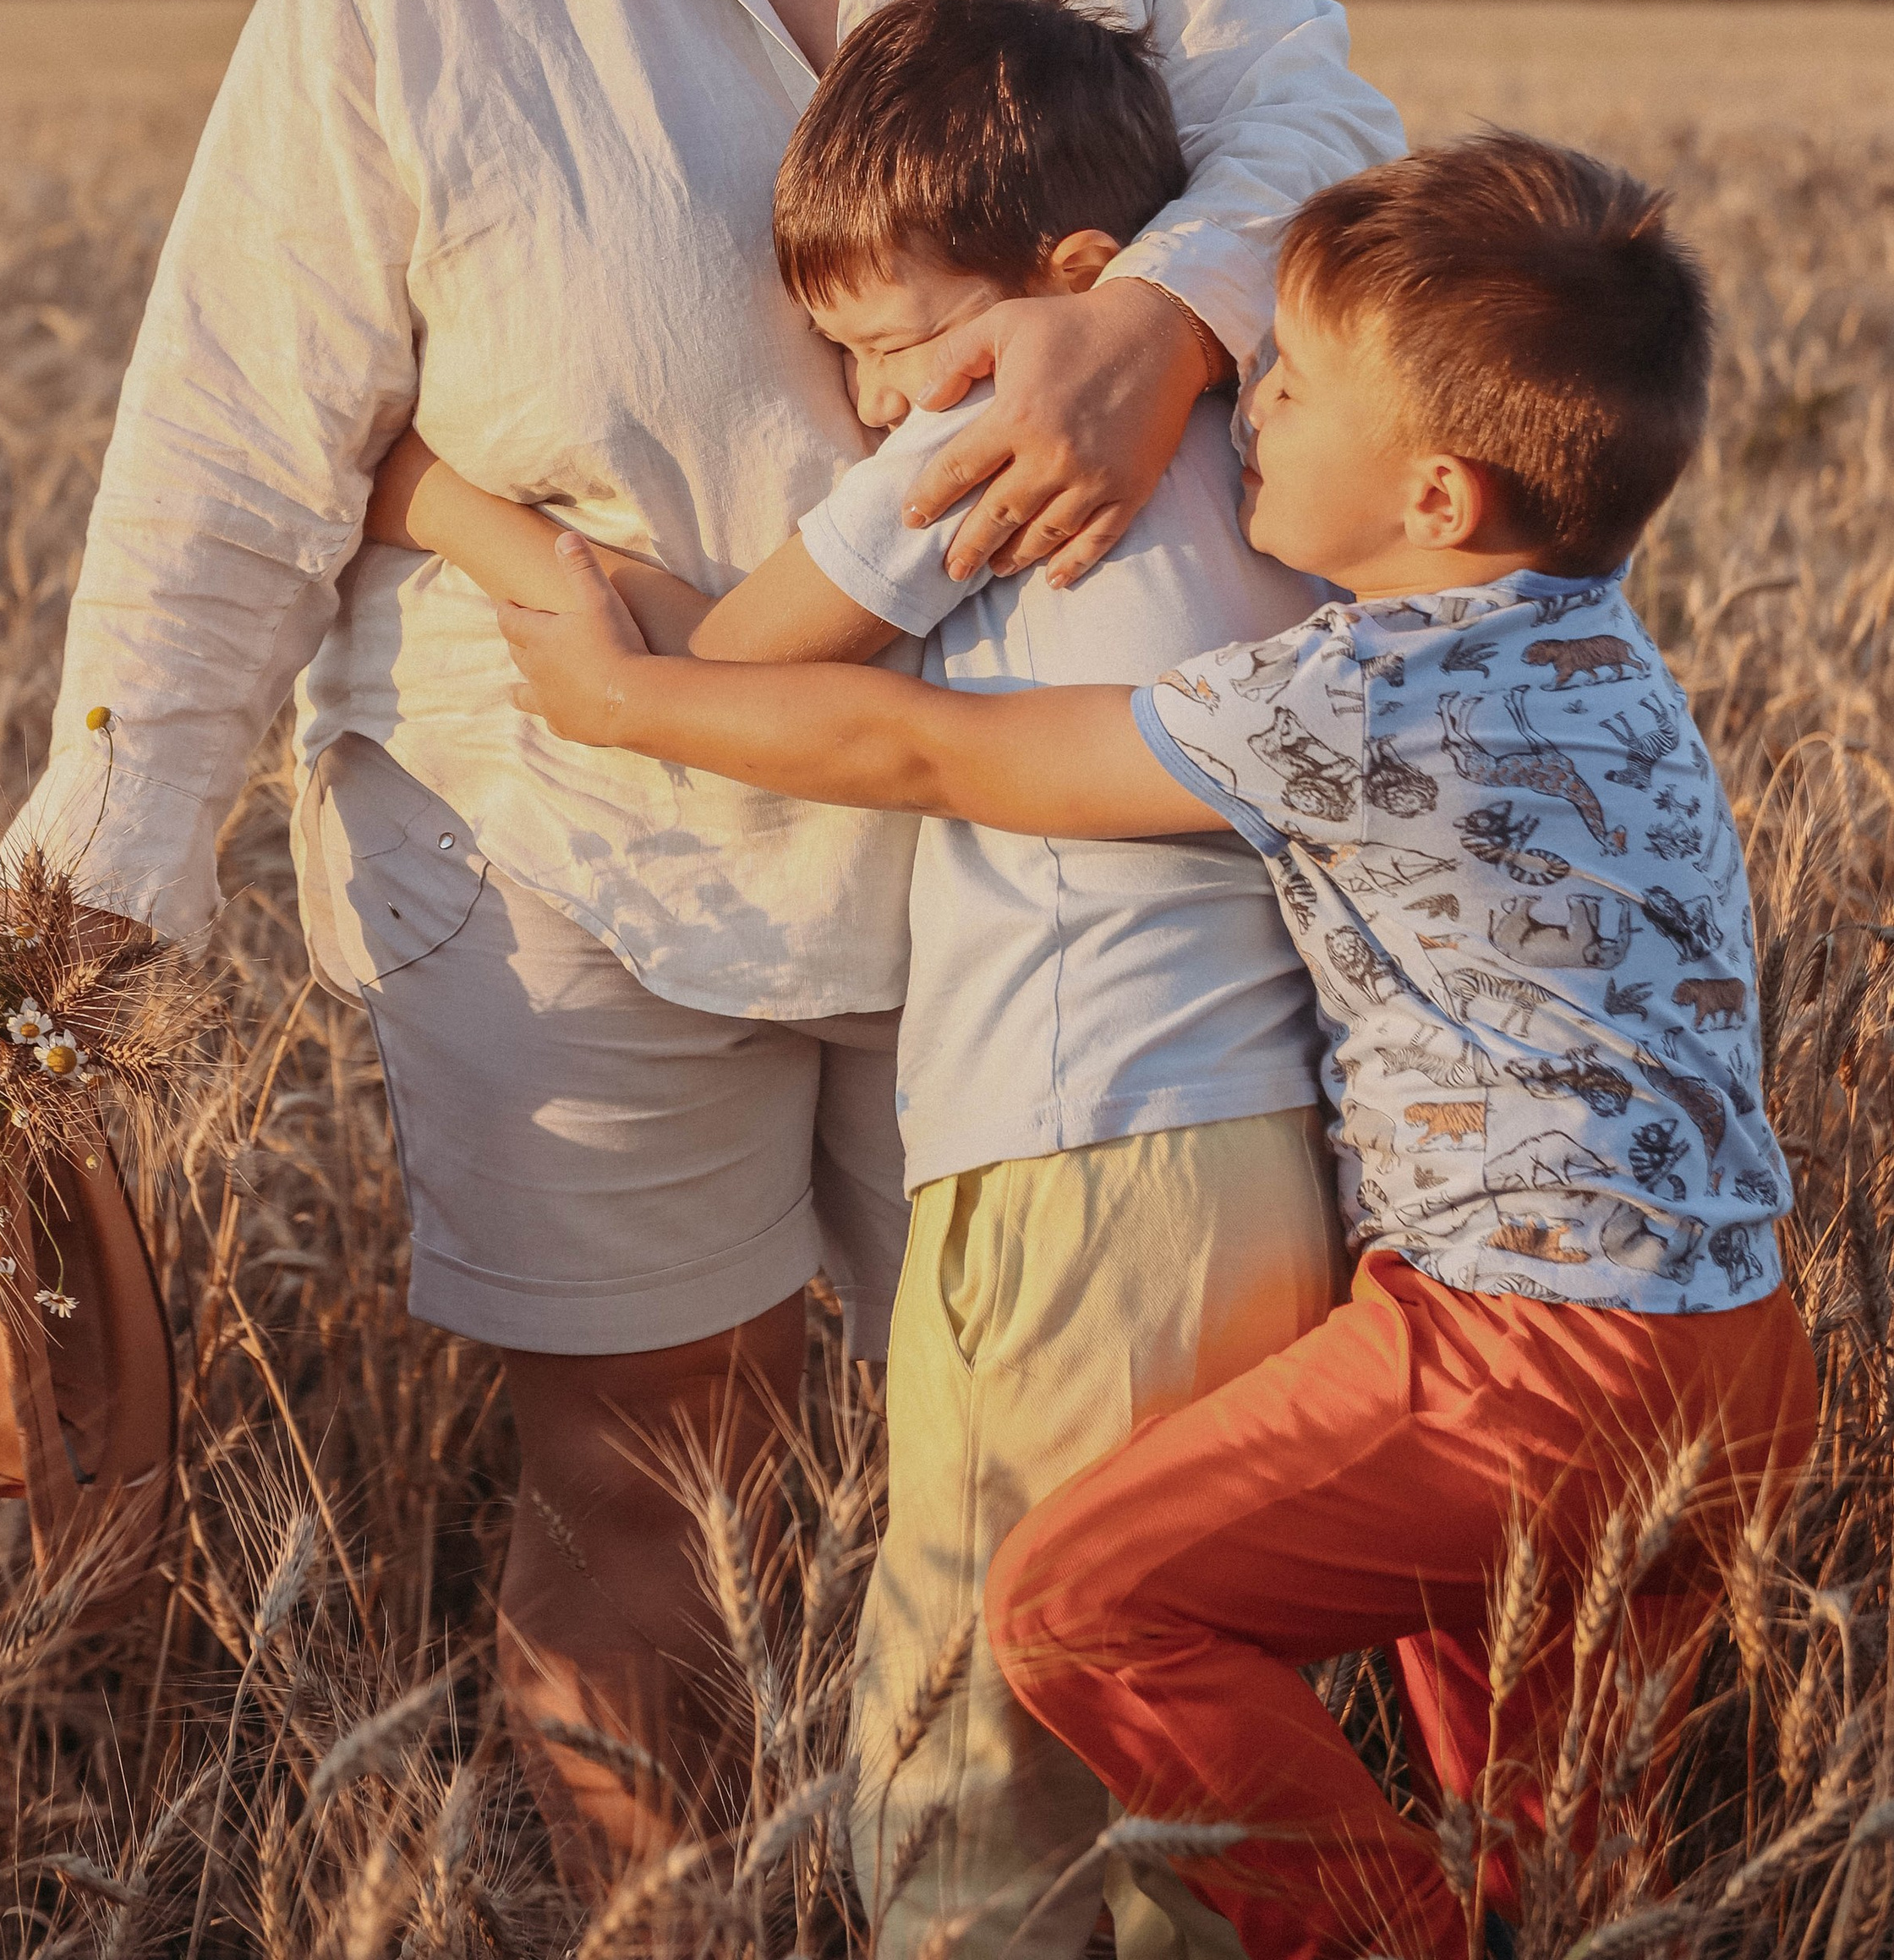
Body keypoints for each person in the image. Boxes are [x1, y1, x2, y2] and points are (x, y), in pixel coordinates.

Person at [14, 0, 1402, 1881]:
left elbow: (1317, 124)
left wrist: (1171, 326)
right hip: (567, 858)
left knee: (1048, 1533)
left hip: (1024, 863)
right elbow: (236, 436)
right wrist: (62, 942)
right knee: (650, 1513)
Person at [495, 134, 1816, 1960]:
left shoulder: (1358, 695)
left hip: (1521, 1357)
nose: (1241, 402)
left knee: (1077, 1610)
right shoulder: (1606, 662)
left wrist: (629, 700)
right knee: (1563, 1864)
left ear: (1433, 492)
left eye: (1289, 382)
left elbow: (937, 755)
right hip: (1734, 1356)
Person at [368, 0, 1346, 1960]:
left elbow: (735, 658)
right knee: (1191, 1662)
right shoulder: (1264, 450)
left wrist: (469, 527)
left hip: (1069, 1161)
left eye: (896, 343)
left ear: (1076, 275)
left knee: (975, 1689)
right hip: (1274, 1162)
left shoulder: (1000, 435)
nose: (879, 402)